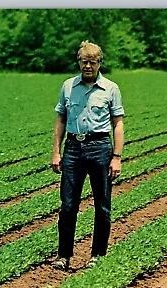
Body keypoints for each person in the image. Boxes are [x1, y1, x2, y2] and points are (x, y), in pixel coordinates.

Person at [51, 40, 124, 271]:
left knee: (102, 205)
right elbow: (61, 120)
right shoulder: (68, 86)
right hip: (73, 148)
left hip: (100, 147)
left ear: (99, 62)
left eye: (93, 62)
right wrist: (56, 152)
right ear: (79, 62)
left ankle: (97, 255)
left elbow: (118, 124)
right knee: (68, 205)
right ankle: (63, 256)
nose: (88, 66)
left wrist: (117, 156)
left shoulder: (111, 88)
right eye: (84, 62)